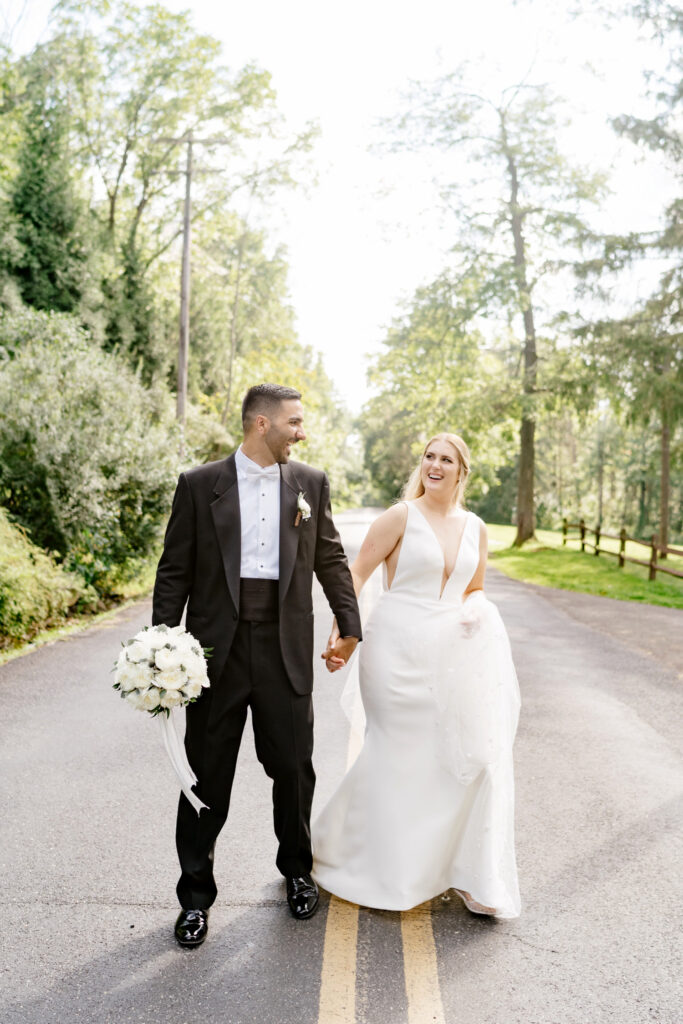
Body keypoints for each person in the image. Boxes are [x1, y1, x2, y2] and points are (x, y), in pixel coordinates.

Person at [152, 383, 362, 948]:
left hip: (285, 648)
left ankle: (297, 870)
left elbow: (331, 557)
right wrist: (162, 649)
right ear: (261, 425)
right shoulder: (200, 486)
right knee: (205, 777)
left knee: (294, 770)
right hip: (216, 653)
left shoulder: (310, 484)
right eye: (294, 422)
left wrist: (350, 622)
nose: (302, 431)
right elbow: (174, 572)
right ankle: (195, 898)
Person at [312, 432, 521, 918]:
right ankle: (375, 866)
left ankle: (464, 872)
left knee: (465, 759)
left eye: (446, 459)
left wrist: (475, 608)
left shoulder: (476, 528)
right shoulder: (400, 517)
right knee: (397, 754)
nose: (435, 464)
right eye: (429, 456)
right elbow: (356, 574)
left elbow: (475, 587)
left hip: (451, 660)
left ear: (461, 471)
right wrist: (344, 631)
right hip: (394, 653)